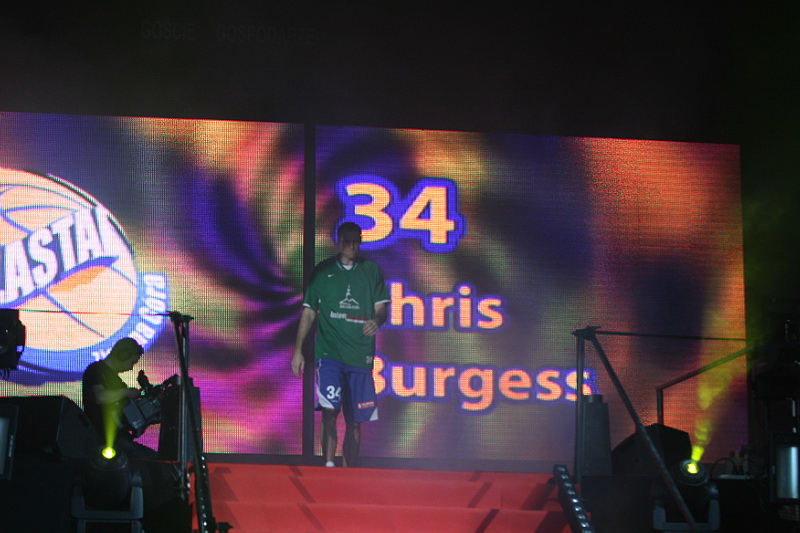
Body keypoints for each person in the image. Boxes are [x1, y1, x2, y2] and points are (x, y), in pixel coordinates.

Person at [292, 222, 390, 467]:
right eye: (347, 241)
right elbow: (308, 312)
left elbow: (382, 309)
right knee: (329, 411)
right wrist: (298, 351)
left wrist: (377, 320)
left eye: (356, 241)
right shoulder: (324, 272)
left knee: (355, 420)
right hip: (330, 354)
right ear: (339, 242)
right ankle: (328, 467)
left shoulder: (370, 271)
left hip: (360, 356)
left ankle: (349, 473)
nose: (352, 246)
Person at [81, 337, 147, 450]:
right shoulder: (95, 369)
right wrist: (126, 392)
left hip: (121, 438)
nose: (131, 367)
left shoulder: (119, 382)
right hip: (104, 440)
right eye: (132, 362)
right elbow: (100, 396)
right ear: (123, 355)